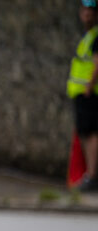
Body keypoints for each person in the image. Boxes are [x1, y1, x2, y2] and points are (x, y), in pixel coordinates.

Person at [68, 0, 98, 190]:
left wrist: (89, 86)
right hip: (83, 94)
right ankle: (90, 174)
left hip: (90, 94)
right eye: (85, 11)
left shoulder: (95, 36)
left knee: (91, 134)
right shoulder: (88, 36)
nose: (86, 15)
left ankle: (92, 175)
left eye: (90, 12)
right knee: (86, 134)